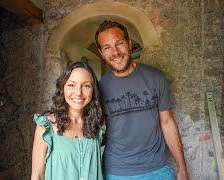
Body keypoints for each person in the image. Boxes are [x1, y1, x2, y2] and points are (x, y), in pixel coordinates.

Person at [96, 20, 189, 180]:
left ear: (129, 44)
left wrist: (182, 167)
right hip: (116, 172)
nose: (115, 52)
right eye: (107, 48)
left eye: (119, 43)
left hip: (157, 169)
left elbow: (167, 122)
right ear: (101, 53)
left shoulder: (156, 78)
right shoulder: (99, 88)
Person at [31, 61, 105, 180]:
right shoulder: (46, 125)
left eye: (86, 85)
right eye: (71, 85)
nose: (78, 93)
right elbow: (37, 175)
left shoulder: (96, 126)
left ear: (93, 90)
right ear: (62, 87)